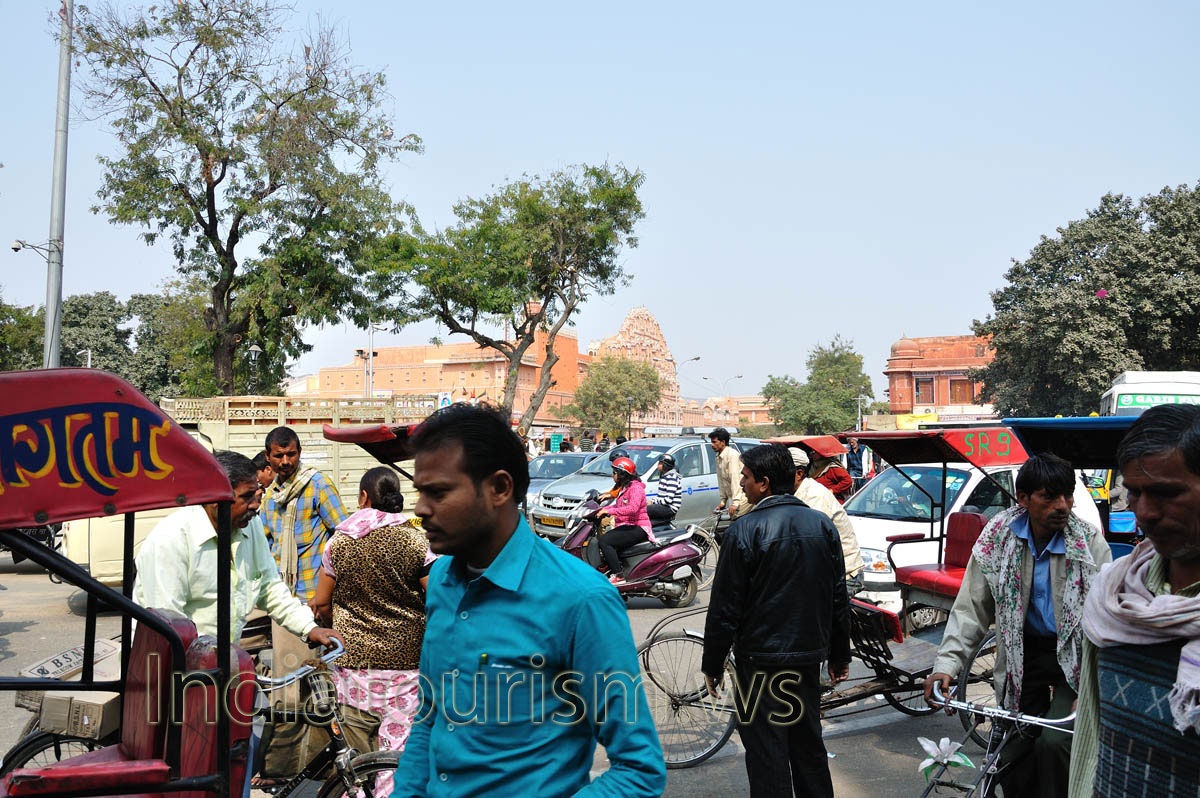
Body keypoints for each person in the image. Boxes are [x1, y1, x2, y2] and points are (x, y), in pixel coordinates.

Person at [389, 404, 666, 798]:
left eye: (439, 492)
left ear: (499, 488)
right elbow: (430, 719)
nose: (420, 508)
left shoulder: (581, 599)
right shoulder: (441, 582)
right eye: (420, 492)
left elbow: (639, 771)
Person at [924, 454, 1111, 798]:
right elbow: (971, 610)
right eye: (1049, 497)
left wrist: (1094, 691)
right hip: (1022, 653)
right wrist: (946, 666)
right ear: (1022, 498)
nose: (1063, 505)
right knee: (1012, 747)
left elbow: (1108, 620)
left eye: (1067, 495)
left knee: (1055, 743)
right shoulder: (997, 538)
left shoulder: (1088, 544)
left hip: (1079, 656)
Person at [702, 443, 850, 798]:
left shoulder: (744, 530)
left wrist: (713, 663)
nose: (742, 483)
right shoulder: (821, 525)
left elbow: (725, 607)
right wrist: (839, 654)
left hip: (760, 663)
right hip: (805, 659)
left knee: (767, 753)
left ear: (765, 483)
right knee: (808, 746)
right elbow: (837, 598)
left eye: (747, 478)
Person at [1068, 405, 1200, 798]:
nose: (1144, 513)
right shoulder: (1113, 597)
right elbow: (1092, 736)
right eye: (1135, 493)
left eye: (1165, 493)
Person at [309, 466, 433, 796]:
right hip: (405, 667)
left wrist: (329, 626)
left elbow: (321, 603)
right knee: (397, 754)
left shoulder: (339, 542)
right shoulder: (415, 540)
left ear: (364, 497)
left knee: (355, 757)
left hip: (353, 667)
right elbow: (436, 597)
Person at [261, 426, 348, 604]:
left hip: (314, 597)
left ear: (299, 452)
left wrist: (325, 593)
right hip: (283, 599)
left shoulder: (318, 485)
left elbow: (343, 537)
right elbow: (265, 544)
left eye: (291, 454)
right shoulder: (271, 496)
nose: (285, 461)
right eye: (278, 456)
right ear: (267, 457)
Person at [790, 447, 865, 596]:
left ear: (799, 473)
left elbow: (809, 543)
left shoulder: (816, 495)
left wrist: (833, 490)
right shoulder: (807, 480)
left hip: (844, 574)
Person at [596, 456, 654, 584]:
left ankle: (619, 575)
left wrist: (610, 511)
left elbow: (632, 508)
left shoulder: (636, 489)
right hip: (628, 524)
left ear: (622, 474)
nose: (613, 475)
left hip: (638, 527)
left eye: (615, 473)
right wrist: (602, 509)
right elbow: (618, 506)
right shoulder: (625, 487)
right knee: (606, 537)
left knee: (605, 541)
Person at [709, 427, 748, 519]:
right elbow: (721, 481)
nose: (712, 445)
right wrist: (723, 501)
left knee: (737, 526)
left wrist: (736, 503)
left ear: (723, 442)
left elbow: (735, 479)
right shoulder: (718, 457)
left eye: (714, 442)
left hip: (742, 499)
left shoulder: (732, 455)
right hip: (732, 500)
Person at [647, 453, 681, 525]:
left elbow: (668, 500)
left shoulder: (672, 478)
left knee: (645, 510)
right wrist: (651, 501)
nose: (657, 465)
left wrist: (653, 503)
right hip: (664, 506)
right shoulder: (664, 476)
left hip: (669, 509)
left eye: (660, 463)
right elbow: (660, 496)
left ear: (666, 465)